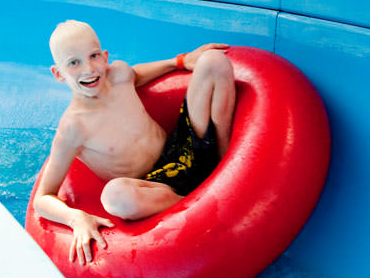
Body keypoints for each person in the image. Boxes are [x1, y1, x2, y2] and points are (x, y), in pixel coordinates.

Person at [32, 20, 236, 265]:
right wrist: (76, 218)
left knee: (213, 60)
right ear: (58, 74)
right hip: (154, 188)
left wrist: (179, 61)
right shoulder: (73, 128)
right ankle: (197, 205)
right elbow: (42, 198)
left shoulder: (118, 75)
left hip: (182, 148)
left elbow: (137, 73)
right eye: (74, 63)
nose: (89, 69)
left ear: (105, 56)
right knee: (115, 197)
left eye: (94, 56)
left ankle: (227, 164)